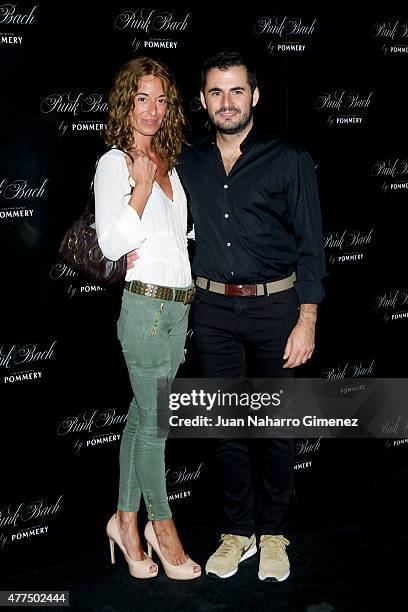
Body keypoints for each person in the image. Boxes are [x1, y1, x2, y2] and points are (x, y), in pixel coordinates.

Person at [127, 50, 326, 582]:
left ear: (254, 96)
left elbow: (312, 246)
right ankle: (237, 532)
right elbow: (154, 204)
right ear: (202, 101)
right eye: (216, 92)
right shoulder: (187, 161)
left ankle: (274, 534)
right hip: (211, 309)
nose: (227, 101)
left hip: (277, 309)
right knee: (225, 427)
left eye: (237, 90)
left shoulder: (290, 158)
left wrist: (306, 319)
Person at [95, 56, 201, 580]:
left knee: (142, 418)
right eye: (142, 98)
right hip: (146, 312)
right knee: (156, 427)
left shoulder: (171, 164)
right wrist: (137, 188)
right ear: (126, 102)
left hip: (178, 309)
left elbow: (175, 240)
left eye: (161, 99)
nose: (153, 109)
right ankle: (164, 531)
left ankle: (124, 521)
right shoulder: (115, 162)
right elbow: (111, 242)